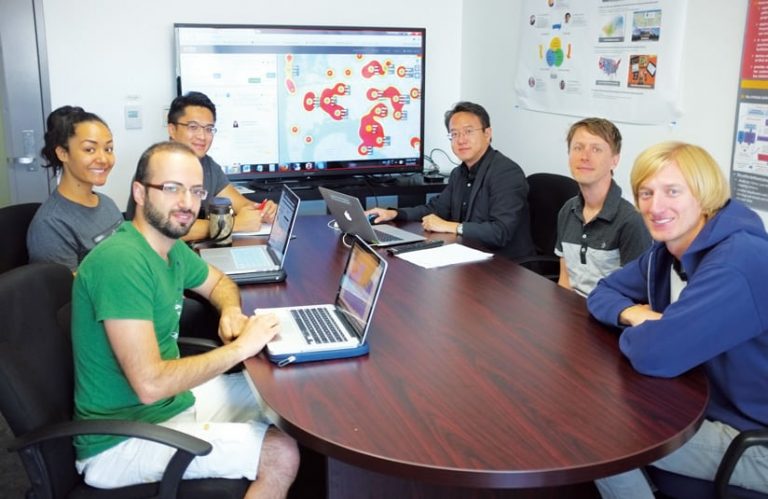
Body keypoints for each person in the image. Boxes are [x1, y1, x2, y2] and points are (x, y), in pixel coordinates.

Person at [72, 141, 299, 495]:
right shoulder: (121, 261)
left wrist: (231, 311)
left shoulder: (167, 246)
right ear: (140, 193)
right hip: (119, 440)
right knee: (280, 453)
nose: (187, 203)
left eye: (195, 191)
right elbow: (150, 385)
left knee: (279, 399)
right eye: (172, 188)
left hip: (169, 404)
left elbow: (220, 283)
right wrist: (240, 348)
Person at [587, 142, 768, 497]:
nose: (656, 207)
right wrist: (634, 313)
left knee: (597, 431)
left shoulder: (739, 262)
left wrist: (655, 332)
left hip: (754, 439)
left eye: (673, 191)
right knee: (592, 406)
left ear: (704, 195)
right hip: (706, 406)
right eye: (646, 193)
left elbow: (656, 354)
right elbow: (603, 292)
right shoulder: (668, 251)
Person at [367, 101, 535, 259]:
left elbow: (500, 232)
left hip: (506, 266)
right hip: (469, 255)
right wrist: (394, 213)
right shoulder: (459, 173)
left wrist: (450, 226)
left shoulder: (506, 173)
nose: (461, 140)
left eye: (468, 131)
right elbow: (435, 209)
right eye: (454, 134)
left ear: (487, 134)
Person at [125, 91, 277, 241]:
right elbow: (167, 227)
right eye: (193, 127)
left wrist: (263, 211)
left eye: (208, 129)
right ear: (172, 129)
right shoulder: (159, 166)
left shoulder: (207, 165)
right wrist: (233, 224)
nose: (202, 136)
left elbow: (242, 205)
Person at [555, 117, 650, 296]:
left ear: (614, 160)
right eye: (578, 148)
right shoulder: (568, 210)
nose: (584, 157)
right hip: (570, 308)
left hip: (610, 311)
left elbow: (638, 295)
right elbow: (565, 281)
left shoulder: (632, 219)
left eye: (596, 149)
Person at [27, 106, 123, 272]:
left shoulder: (107, 203)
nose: (103, 159)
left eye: (108, 149)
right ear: (63, 153)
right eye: (89, 149)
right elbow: (67, 287)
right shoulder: (51, 225)